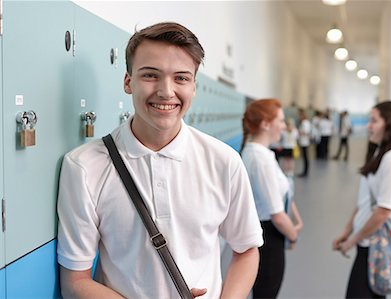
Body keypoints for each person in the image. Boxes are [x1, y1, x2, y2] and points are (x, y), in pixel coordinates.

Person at [57, 22, 264, 299]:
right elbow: (75, 281)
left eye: (181, 78)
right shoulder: (84, 167)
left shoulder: (224, 161)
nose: (166, 91)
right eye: (151, 75)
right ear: (128, 82)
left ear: (193, 86)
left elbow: (247, 248)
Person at [332, 101, 391, 299]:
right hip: (367, 242)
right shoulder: (381, 152)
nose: (369, 125)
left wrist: (352, 240)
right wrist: (347, 230)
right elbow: (367, 200)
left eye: (374, 121)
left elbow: (384, 211)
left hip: (376, 244)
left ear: (390, 124)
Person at [240, 99, 303, 299]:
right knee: (266, 292)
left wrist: (296, 218)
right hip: (268, 237)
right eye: (281, 121)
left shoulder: (260, 153)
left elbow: (280, 191)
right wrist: (293, 235)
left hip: (266, 232)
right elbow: (277, 215)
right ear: (266, 124)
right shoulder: (260, 159)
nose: (284, 126)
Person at [297, 108, 311, 177]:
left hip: (305, 142)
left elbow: (306, 132)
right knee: (304, 157)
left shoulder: (305, 123)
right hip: (303, 141)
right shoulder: (304, 122)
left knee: (305, 157)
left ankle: (305, 172)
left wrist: (298, 132)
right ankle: (305, 171)